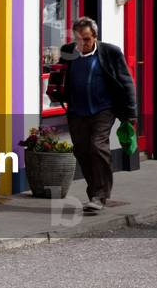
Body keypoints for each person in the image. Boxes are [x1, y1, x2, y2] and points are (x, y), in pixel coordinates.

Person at [58, 17, 137, 213]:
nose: (82, 44)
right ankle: (94, 191)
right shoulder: (68, 51)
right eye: (78, 39)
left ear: (94, 37)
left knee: (97, 145)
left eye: (86, 39)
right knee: (82, 151)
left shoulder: (110, 52)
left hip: (104, 109)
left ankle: (100, 196)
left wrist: (131, 113)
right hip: (77, 110)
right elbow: (60, 74)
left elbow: (126, 82)